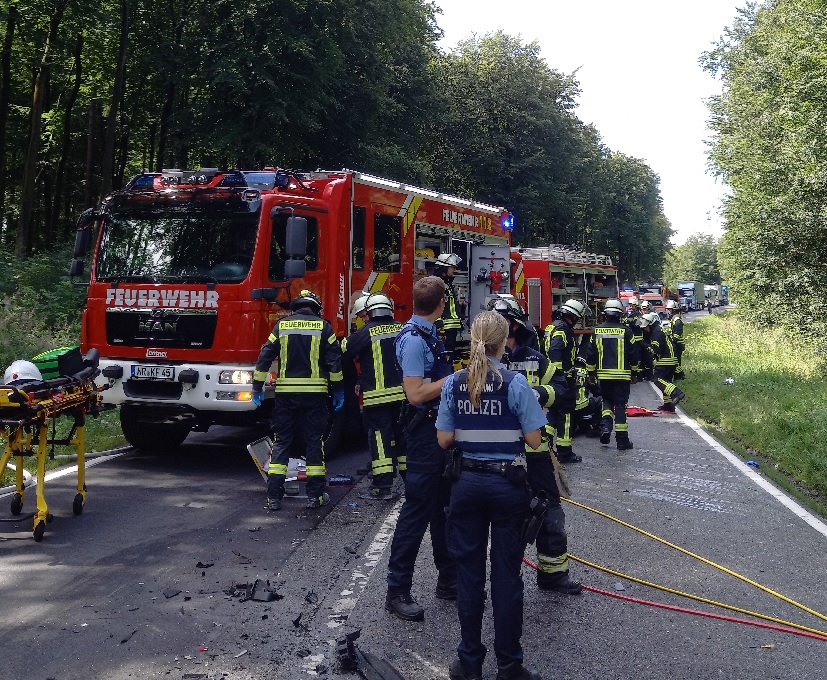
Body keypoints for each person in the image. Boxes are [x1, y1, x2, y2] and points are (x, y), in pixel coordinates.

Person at [436, 310, 547, 680]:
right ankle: (509, 665)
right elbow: (534, 439)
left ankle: (469, 662)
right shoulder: (515, 384)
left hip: (466, 486)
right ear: (504, 341)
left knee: (468, 577)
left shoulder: (454, 383)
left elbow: (444, 439)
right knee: (506, 579)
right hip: (506, 488)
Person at [489, 296, 582, 596]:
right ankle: (503, 579)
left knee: (549, 512)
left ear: (515, 325)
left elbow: (563, 391)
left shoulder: (536, 358)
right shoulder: (483, 360)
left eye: (502, 322)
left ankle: (552, 574)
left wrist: (537, 394)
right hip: (498, 456)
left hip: (536, 454)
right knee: (504, 519)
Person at [386, 276, 457, 621]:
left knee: (443, 509)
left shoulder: (428, 333)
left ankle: (448, 580)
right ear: (441, 302)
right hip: (424, 435)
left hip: (438, 431)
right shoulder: (415, 340)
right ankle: (397, 591)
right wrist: (456, 379)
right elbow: (415, 394)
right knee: (417, 510)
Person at [252, 289, 344, 511]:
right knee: (314, 441)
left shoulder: (282, 326)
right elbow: (335, 363)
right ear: (314, 307)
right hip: (315, 396)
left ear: (297, 307)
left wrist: (257, 387)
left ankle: (274, 497)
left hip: (286, 396)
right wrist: (339, 390)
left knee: (282, 441)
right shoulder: (324, 327)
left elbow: (265, 357)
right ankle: (315, 496)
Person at [341, 291, 405, 500]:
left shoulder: (367, 332)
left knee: (380, 439)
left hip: (377, 398)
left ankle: (382, 487)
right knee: (402, 437)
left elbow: (345, 349)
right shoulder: (402, 329)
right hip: (404, 396)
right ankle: (411, 482)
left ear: (370, 311)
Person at [584, 299, 640, 450]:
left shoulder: (596, 331)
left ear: (605, 314)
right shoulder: (626, 331)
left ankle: (606, 428)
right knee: (620, 406)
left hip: (603, 376)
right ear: (620, 315)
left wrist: (591, 373)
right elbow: (633, 354)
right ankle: (622, 440)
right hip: (622, 377)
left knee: (607, 402)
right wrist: (635, 373)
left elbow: (590, 354)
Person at [542, 299, 588, 464]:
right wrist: (563, 375)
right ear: (573, 316)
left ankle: (545, 445)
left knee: (553, 413)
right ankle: (565, 452)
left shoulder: (552, 326)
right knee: (566, 416)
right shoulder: (563, 329)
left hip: (552, 380)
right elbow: (555, 353)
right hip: (562, 381)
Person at [640, 311, 686, 412]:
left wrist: (647, 346)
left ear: (650, 325)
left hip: (666, 360)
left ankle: (677, 393)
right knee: (666, 381)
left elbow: (657, 350)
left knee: (657, 379)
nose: (645, 329)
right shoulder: (658, 330)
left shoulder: (656, 333)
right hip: (670, 359)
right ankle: (668, 405)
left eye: (645, 327)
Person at [433, 252, 463, 358]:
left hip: (451, 328)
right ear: (444, 268)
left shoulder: (447, 284)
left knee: (449, 358)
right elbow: (434, 304)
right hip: (444, 328)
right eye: (452, 267)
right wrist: (438, 325)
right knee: (443, 358)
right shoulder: (438, 284)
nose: (454, 270)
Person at [664, 300, 686, 379]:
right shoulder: (673, 319)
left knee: (677, 361)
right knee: (676, 361)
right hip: (675, 344)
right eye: (668, 309)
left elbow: (677, 333)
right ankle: (678, 375)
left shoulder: (677, 320)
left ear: (674, 310)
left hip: (677, 345)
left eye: (669, 309)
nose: (668, 311)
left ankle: (680, 376)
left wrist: (673, 342)